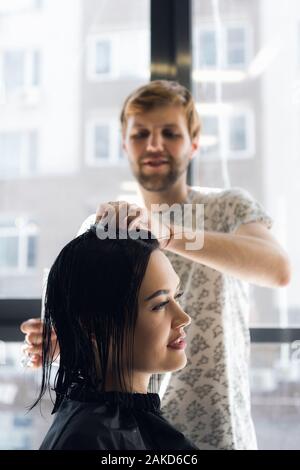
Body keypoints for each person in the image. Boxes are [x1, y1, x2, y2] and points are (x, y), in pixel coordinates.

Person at [21, 80, 291, 450]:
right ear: (123, 144)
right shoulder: (103, 230)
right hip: (128, 433)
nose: (153, 144)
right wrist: (68, 337)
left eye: (169, 133)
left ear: (194, 143)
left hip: (219, 431)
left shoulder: (229, 208)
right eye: (141, 134)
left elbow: (278, 269)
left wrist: (168, 233)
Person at [34, 225, 198, 450]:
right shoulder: (88, 440)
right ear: (92, 325)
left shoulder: (115, 422)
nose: (183, 317)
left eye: (176, 296)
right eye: (159, 304)